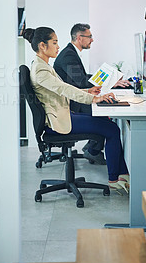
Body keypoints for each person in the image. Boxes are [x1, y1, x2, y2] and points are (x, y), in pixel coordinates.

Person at [23, 26, 129, 192]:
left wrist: (88, 91)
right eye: (55, 42)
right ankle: (114, 179)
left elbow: (64, 86)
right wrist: (94, 98)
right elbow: (65, 90)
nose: (58, 46)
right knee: (112, 129)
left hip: (63, 115)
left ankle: (123, 175)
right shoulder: (41, 70)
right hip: (57, 123)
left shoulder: (43, 66)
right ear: (43, 46)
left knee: (106, 123)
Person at [53, 23, 131, 165]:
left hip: (74, 98)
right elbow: (81, 81)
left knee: (105, 111)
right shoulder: (68, 55)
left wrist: (111, 81)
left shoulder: (71, 52)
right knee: (104, 116)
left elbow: (81, 77)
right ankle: (93, 150)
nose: (92, 40)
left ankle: (92, 147)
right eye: (89, 37)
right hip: (72, 103)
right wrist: (110, 83)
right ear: (79, 37)